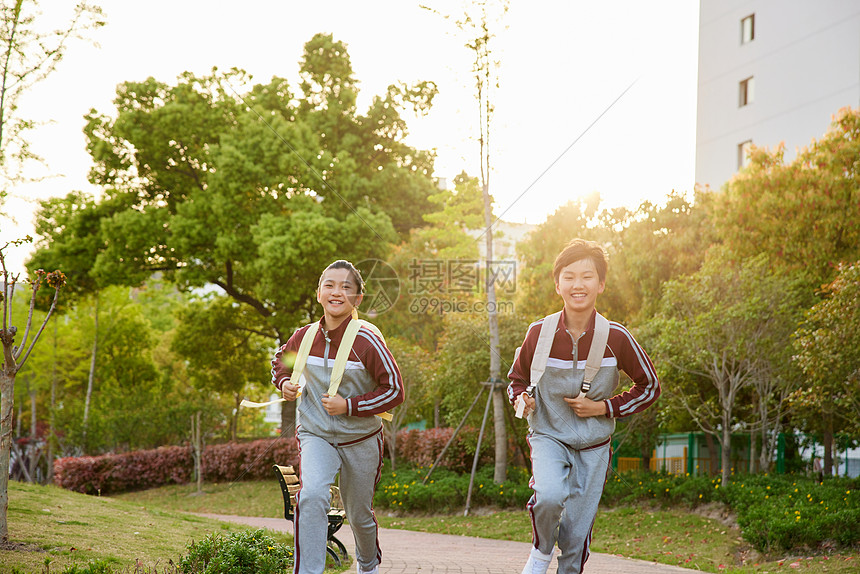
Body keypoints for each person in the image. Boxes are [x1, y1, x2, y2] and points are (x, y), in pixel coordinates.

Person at [508, 238, 661, 574]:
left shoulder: (617, 337)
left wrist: (604, 407)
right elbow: (515, 380)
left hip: (594, 446)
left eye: (587, 276)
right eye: (569, 276)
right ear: (558, 283)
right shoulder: (538, 333)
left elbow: (649, 387)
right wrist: (521, 399)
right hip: (548, 435)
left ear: (601, 284)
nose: (578, 284)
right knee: (547, 496)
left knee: (577, 535)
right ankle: (541, 551)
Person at [271, 259, 404, 574]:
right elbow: (281, 360)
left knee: (359, 515)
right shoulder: (303, 337)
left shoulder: (368, 340)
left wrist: (349, 406)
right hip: (316, 435)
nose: (336, 292)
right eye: (329, 285)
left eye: (346, 287)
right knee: (312, 496)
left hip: (361, 439)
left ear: (357, 299)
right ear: (318, 293)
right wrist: (285, 383)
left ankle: (368, 564)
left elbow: (394, 390)